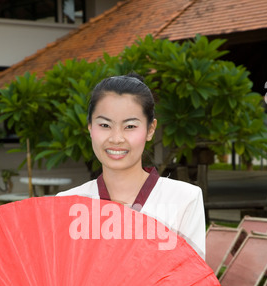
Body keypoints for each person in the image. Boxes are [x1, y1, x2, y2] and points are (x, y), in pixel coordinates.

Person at [57, 73, 205, 259]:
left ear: (150, 129)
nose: (116, 138)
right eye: (104, 125)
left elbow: (193, 280)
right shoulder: (68, 202)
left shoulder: (184, 199)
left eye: (130, 126)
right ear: (90, 128)